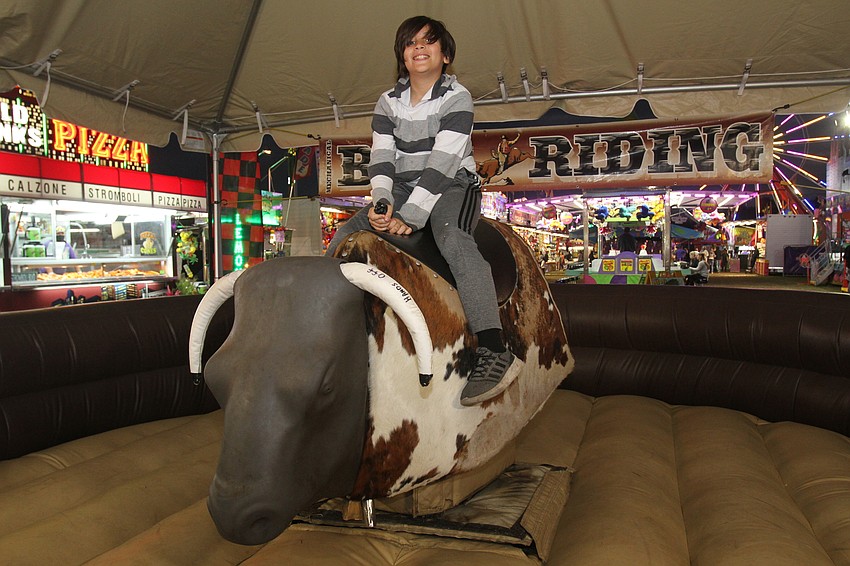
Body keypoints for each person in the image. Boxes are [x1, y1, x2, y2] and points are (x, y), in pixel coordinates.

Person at [325, 15, 518, 406]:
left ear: (445, 55)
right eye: (411, 42)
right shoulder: (388, 102)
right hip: (400, 186)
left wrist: (409, 217)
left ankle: (496, 348)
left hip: (452, 183)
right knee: (348, 234)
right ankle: (325, 332)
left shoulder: (457, 97)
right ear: (402, 54)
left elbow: (443, 163)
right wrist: (381, 206)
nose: (419, 48)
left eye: (429, 42)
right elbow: (382, 160)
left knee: (452, 237)